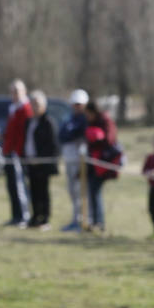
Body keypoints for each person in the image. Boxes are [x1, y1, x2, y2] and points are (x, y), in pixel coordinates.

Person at [23, 90, 58, 230]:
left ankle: (44, 218)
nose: (34, 107)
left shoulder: (48, 122)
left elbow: (52, 145)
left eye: (37, 104)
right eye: (32, 104)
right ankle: (35, 217)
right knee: (33, 191)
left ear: (44, 105)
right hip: (30, 162)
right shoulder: (29, 121)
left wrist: (41, 159)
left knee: (43, 192)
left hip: (43, 163)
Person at [83, 101, 119, 233]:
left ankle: (99, 222)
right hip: (92, 162)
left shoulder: (105, 121)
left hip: (102, 162)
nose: (86, 117)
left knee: (95, 191)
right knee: (92, 191)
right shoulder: (90, 122)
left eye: (87, 114)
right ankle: (94, 221)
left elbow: (110, 140)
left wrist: (97, 136)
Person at [57, 89, 90, 232]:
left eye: (79, 104)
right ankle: (75, 219)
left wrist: (72, 135)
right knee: (72, 191)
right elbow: (62, 135)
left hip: (80, 160)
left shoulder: (86, 120)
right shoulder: (69, 119)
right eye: (75, 104)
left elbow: (77, 135)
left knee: (80, 191)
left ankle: (84, 220)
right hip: (68, 159)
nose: (77, 107)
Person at [1, 79, 32, 226]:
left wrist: (17, 151)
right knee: (12, 186)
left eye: (17, 91)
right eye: (12, 91)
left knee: (20, 187)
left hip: (18, 154)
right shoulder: (13, 108)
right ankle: (15, 215)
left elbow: (23, 134)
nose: (15, 94)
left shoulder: (25, 109)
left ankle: (24, 216)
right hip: (9, 153)